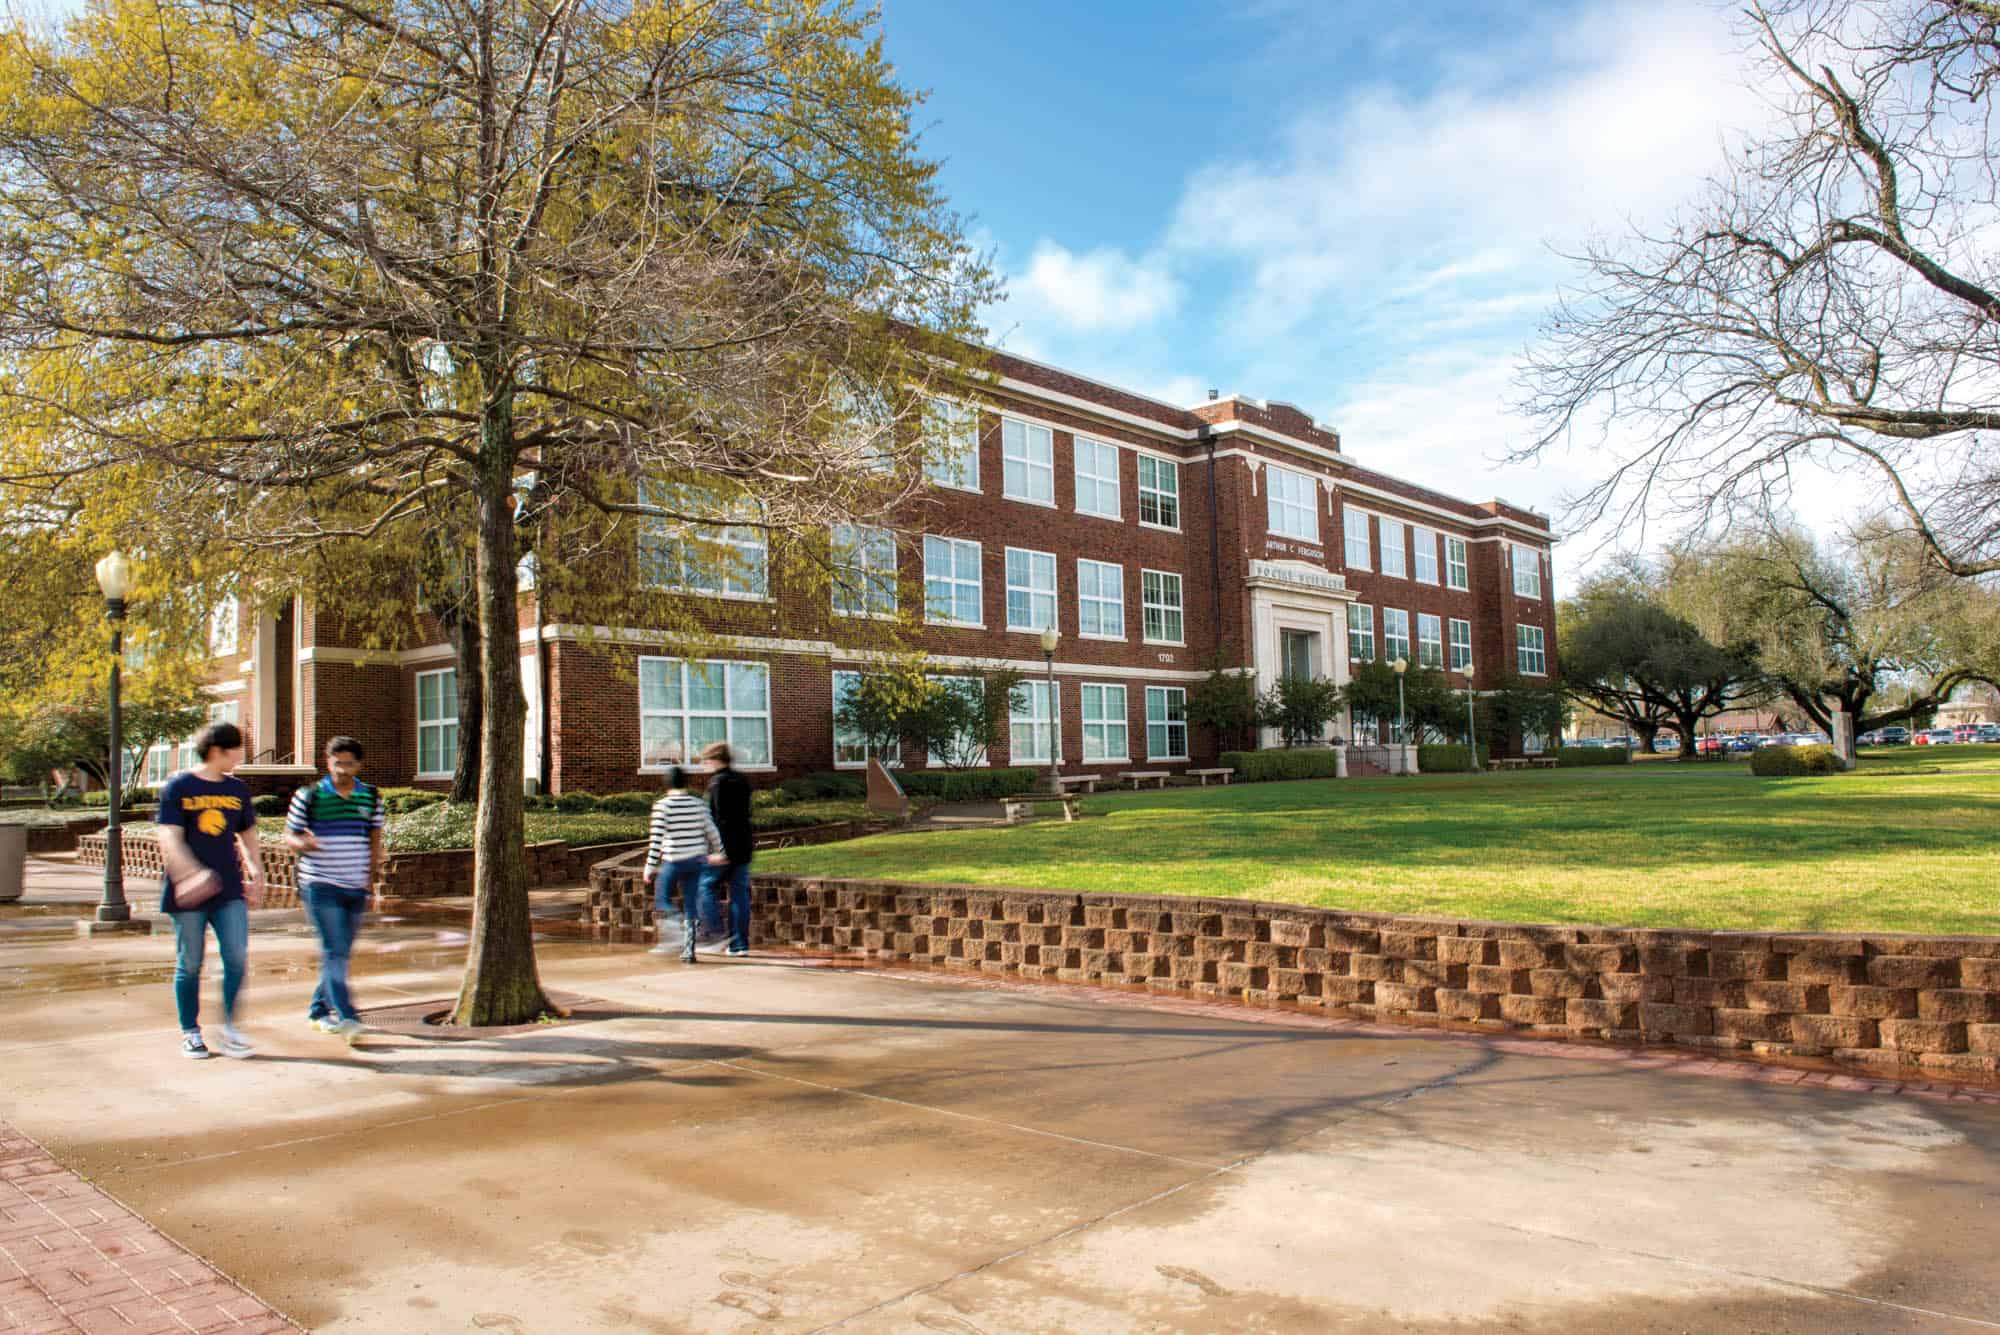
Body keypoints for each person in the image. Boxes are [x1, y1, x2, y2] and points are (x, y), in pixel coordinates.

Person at [155, 721, 264, 1060]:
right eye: (237, 749)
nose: (240, 756)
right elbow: (168, 837)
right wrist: (191, 874)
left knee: (235, 958)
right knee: (190, 963)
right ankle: (191, 1031)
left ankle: (231, 1029)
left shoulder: (238, 790)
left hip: (228, 890)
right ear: (218, 751)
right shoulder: (178, 787)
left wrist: (256, 871)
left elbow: (246, 835)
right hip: (187, 893)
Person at [283, 736, 385, 1042]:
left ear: (359, 765)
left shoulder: (370, 796)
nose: (342, 768)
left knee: (338, 953)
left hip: (355, 886)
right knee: (334, 951)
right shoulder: (309, 795)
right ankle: (348, 1017)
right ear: (328, 763)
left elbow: (375, 837)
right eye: (336, 762)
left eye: (349, 763)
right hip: (319, 884)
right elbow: (289, 835)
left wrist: (371, 875)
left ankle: (318, 1011)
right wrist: (303, 842)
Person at [640, 764, 723, 964]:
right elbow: (711, 830)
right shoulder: (698, 804)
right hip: (697, 861)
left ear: (666, 784)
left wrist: (649, 867)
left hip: (673, 861)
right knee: (690, 903)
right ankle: (689, 950)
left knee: (662, 898)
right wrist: (721, 851)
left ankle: (675, 931)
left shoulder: (662, 806)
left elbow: (656, 840)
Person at [699, 740, 754, 956]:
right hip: (743, 845)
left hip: (724, 847)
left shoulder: (717, 784)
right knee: (739, 894)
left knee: (704, 887)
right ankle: (739, 945)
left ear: (715, 760)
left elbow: (718, 820)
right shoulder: (742, 780)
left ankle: (717, 935)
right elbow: (744, 814)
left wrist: (718, 851)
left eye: (706, 760)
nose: (704, 764)